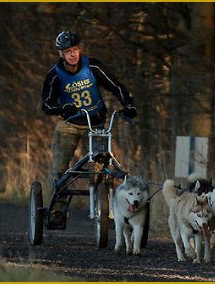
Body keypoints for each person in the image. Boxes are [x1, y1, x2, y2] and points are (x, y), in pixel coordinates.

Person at [41, 30, 137, 227]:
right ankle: (58, 211)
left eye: (75, 49)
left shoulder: (92, 66)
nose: (73, 54)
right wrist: (62, 108)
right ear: (61, 54)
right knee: (60, 169)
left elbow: (115, 86)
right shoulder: (54, 75)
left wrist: (128, 104)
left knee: (103, 169)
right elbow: (46, 104)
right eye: (68, 51)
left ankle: (107, 211)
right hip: (68, 125)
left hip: (95, 125)